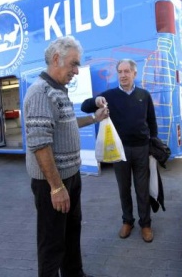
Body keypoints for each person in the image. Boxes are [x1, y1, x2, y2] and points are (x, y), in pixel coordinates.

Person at [24, 36, 108, 277]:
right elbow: (40, 144)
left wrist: (94, 118)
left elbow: (68, 124)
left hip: (70, 177)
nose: (76, 71)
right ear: (56, 59)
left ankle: (74, 273)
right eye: (73, 64)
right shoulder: (40, 92)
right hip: (53, 183)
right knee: (52, 242)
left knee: (71, 232)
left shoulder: (58, 90)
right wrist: (56, 187)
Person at [81, 59, 158, 243]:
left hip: (141, 150)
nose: (123, 75)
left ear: (134, 74)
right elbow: (85, 106)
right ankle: (127, 221)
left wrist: (153, 146)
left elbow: (152, 123)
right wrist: (96, 101)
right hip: (119, 151)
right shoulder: (110, 96)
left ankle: (145, 224)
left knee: (142, 189)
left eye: (126, 71)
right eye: (120, 72)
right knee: (123, 189)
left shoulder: (144, 95)